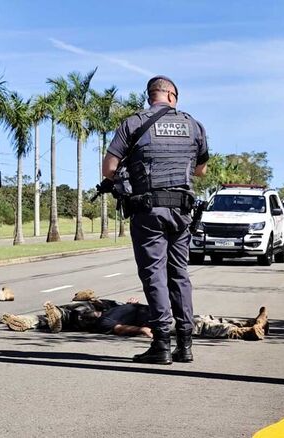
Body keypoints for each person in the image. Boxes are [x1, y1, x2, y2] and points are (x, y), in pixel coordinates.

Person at [101, 75, 209, 365]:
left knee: (154, 274)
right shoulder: (193, 125)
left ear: (151, 96)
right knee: (179, 274)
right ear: (172, 96)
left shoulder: (133, 123)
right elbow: (201, 170)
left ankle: (161, 344)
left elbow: (109, 168)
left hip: (149, 211)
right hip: (182, 211)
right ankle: (185, 344)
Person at [1, 291, 269, 341]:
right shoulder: (103, 321)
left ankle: (245, 324)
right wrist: (139, 331)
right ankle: (243, 332)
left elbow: (100, 304)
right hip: (157, 321)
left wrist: (93, 299)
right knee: (198, 326)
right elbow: (118, 328)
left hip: (157, 311)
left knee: (203, 318)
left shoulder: (107, 306)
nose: (86, 310)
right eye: (84, 312)